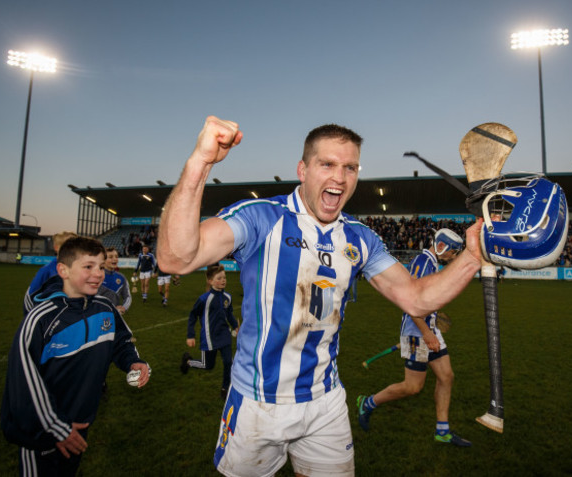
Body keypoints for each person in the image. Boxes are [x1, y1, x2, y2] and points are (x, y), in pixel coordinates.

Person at [157, 116, 483, 477]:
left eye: (350, 167)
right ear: (303, 169)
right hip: (258, 402)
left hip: (325, 400)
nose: (340, 178)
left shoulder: (360, 238)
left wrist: (472, 254)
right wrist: (200, 163)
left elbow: (417, 299)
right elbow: (174, 258)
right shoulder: (263, 218)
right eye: (327, 164)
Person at [1, 236, 151, 477]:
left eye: (101, 266)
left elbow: (121, 341)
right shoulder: (41, 320)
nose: (98, 274)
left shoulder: (105, 307)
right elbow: (24, 384)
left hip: (80, 424)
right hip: (43, 433)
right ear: (63, 270)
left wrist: (134, 361)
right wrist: (57, 429)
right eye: (88, 266)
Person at [356, 229, 472, 447]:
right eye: (453, 252)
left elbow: (425, 300)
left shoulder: (431, 263)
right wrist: (426, 333)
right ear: (442, 247)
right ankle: (368, 402)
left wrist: (433, 322)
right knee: (412, 387)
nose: (454, 256)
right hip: (418, 333)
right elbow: (410, 301)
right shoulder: (423, 262)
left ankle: (442, 431)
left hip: (428, 330)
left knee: (446, 376)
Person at [180, 264, 239, 400]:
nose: (223, 280)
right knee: (207, 365)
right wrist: (190, 335)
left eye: (224, 277)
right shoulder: (204, 299)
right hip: (209, 337)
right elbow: (193, 315)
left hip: (224, 335)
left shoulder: (227, 297)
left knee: (228, 363)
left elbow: (229, 313)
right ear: (210, 281)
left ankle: (225, 388)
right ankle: (188, 362)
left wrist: (235, 325)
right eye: (219, 278)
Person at [23, 231, 77, 314]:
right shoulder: (47, 270)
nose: (71, 249)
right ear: (56, 247)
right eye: (66, 245)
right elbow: (30, 297)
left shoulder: (78, 269)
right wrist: (33, 316)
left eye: (75, 245)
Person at [99, 247, 132, 314]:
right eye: (110, 257)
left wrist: (124, 307)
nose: (114, 259)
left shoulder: (121, 277)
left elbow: (127, 296)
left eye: (116, 257)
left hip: (114, 316)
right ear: (103, 260)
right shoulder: (97, 276)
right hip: (97, 315)